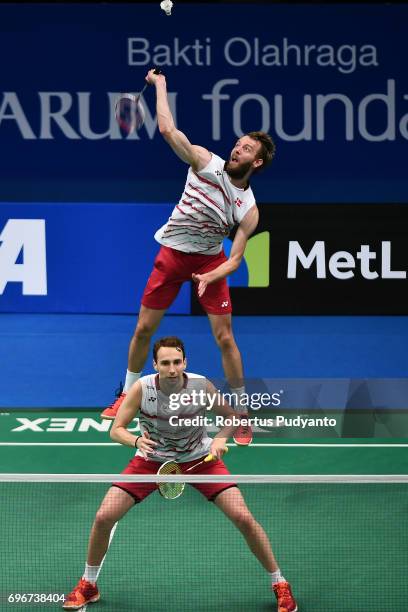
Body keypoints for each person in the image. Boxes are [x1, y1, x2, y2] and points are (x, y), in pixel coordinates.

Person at [101, 68, 277, 447]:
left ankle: (242, 414)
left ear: (257, 163)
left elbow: (236, 259)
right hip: (172, 255)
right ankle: (124, 394)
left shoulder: (248, 208)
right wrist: (161, 86)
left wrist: (214, 276)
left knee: (225, 337)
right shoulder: (204, 162)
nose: (237, 149)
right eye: (238, 144)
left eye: (246, 149)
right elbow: (167, 130)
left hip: (210, 262)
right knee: (144, 329)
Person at [64, 337, 297, 612]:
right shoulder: (143, 388)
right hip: (151, 460)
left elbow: (232, 417)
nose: (172, 368)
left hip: (200, 459)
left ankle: (280, 583)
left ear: (184, 362)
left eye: (177, 362)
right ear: (155, 365)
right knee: (104, 516)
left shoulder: (200, 386)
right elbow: (116, 429)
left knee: (243, 517)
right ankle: (89, 585)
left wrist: (221, 439)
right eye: (165, 363)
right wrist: (136, 442)